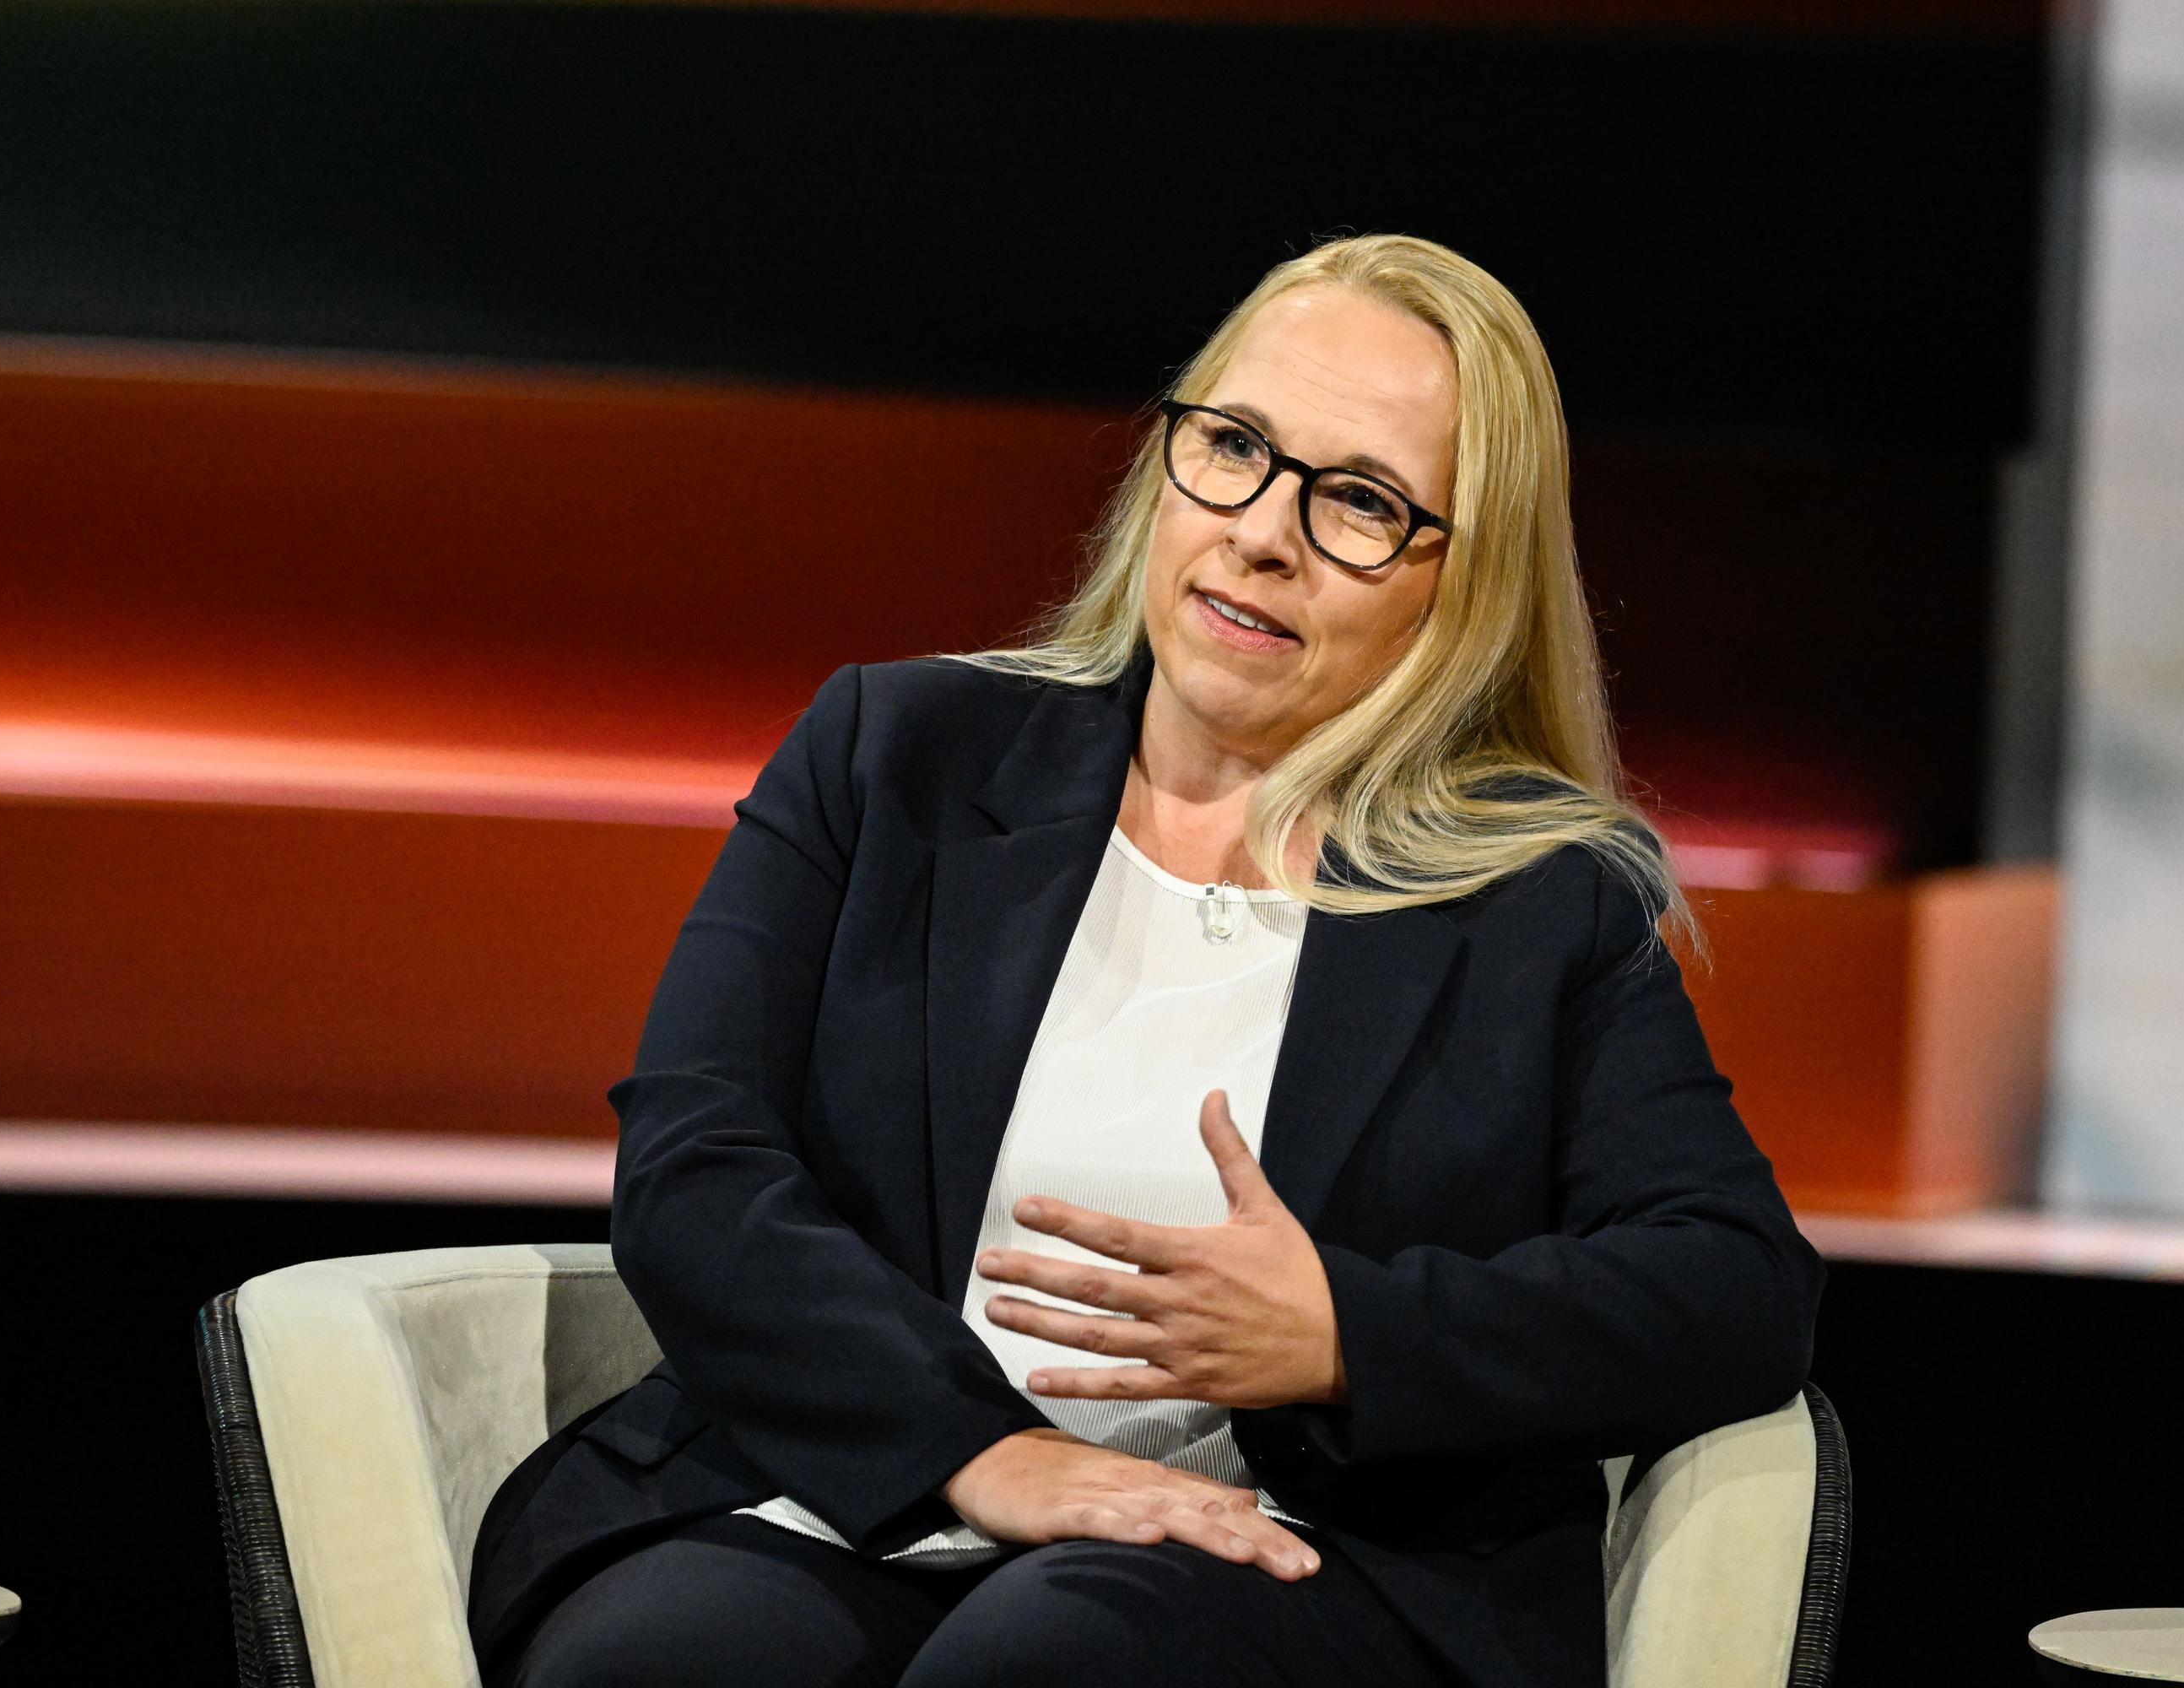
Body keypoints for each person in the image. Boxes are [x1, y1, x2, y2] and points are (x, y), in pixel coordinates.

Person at [466, 232, 1825, 1688]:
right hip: (861, 1489)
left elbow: (1734, 1284)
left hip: (1289, 1556)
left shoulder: (1538, 903)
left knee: (1048, 1661)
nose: (1263, 533)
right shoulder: (894, 756)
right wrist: (977, 1452)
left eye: (1360, 501)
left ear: (1465, 584)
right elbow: (697, 1161)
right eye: (1235, 446)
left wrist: (1344, 1333)